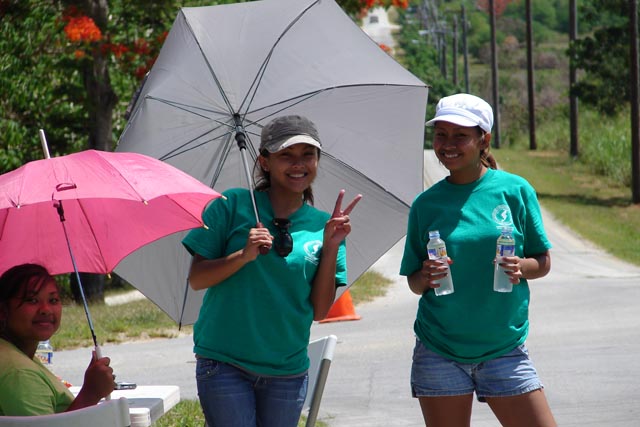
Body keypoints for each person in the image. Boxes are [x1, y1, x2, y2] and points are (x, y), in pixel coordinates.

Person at [182, 115, 361, 427]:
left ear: (318, 160)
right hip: (224, 362)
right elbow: (197, 279)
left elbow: (320, 310)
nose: (298, 164)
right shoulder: (230, 204)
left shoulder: (326, 225)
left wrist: (331, 246)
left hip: (287, 370)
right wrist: (242, 255)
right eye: (285, 156)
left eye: (308, 154)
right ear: (264, 161)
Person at [399, 93, 556, 427]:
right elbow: (414, 283)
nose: (447, 144)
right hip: (438, 350)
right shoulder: (426, 204)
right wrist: (426, 275)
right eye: (441, 134)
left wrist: (521, 267)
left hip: (504, 347)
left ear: (483, 139)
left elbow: (542, 260)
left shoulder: (514, 190)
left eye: (460, 135)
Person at [0, 263, 115, 416]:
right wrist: (90, 394)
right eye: (32, 300)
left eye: (53, 300)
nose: (45, 310)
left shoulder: (20, 355)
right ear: (2, 311)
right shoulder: (18, 373)